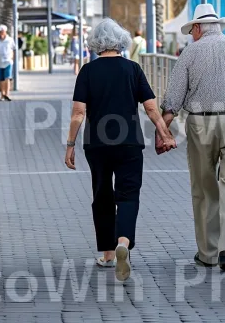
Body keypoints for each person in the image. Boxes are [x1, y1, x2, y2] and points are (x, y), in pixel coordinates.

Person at [65, 18, 176, 281]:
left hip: (97, 144)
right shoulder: (133, 69)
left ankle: (107, 254)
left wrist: (70, 145)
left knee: (101, 196)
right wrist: (165, 134)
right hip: (129, 143)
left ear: (95, 43)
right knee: (128, 195)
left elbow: (79, 112)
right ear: (121, 41)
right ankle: (123, 243)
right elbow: (150, 107)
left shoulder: (88, 71)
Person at [157, 3, 225, 272]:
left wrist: (163, 131)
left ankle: (207, 253)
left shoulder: (190, 52)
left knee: (204, 187)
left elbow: (174, 99)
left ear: (197, 28)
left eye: (191, 30)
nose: (191, 35)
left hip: (201, 123)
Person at [0, 25, 16, 101]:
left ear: (5, 32)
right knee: (1, 79)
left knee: (7, 78)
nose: (0, 33)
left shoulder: (10, 40)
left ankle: (7, 94)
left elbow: (14, 49)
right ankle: (2, 94)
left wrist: (12, 59)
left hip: (8, 62)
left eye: (2, 32)